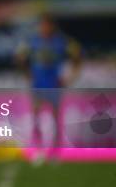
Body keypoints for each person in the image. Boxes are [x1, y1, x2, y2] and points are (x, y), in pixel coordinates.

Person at [16, 14, 81, 163]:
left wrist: (71, 77)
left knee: (55, 119)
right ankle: (38, 149)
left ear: (52, 27)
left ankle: (55, 152)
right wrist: (27, 74)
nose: (43, 28)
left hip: (54, 86)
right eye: (41, 25)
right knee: (36, 118)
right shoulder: (33, 42)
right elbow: (19, 58)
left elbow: (77, 57)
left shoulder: (61, 42)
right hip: (37, 85)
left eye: (46, 25)